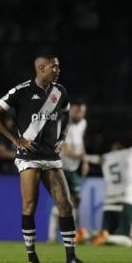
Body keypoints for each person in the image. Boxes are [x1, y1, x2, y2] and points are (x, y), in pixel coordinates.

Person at [0, 55, 87, 263]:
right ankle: (32, 255)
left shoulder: (60, 92)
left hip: (51, 157)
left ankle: (71, 258)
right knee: (30, 205)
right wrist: (15, 140)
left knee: (66, 205)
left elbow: (66, 115)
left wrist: (61, 138)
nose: (58, 70)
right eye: (54, 66)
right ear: (41, 68)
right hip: (29, 157)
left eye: (58, 66)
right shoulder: (21, 91)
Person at [88, 143, 132, 247]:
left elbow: (93, 159)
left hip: (108, 202)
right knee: (129, 240)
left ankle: (85, 235)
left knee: (107, 239)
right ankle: (106, 237)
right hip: (124, 200)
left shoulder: (106, 157)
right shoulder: (130, 152)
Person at [48, 101, 89, 243]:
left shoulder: (83, 123)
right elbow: (65, 150)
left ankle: (75, 236)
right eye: (78, 111)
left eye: (82, 112)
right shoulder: (64, 124)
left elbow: (81, 142)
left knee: (77, 201)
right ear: (72, 111)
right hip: (62, 168)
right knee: (62, 202)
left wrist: (84, 161)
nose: (80, 114)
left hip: (74, 169)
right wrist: (82, 157)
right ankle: (52, 237)